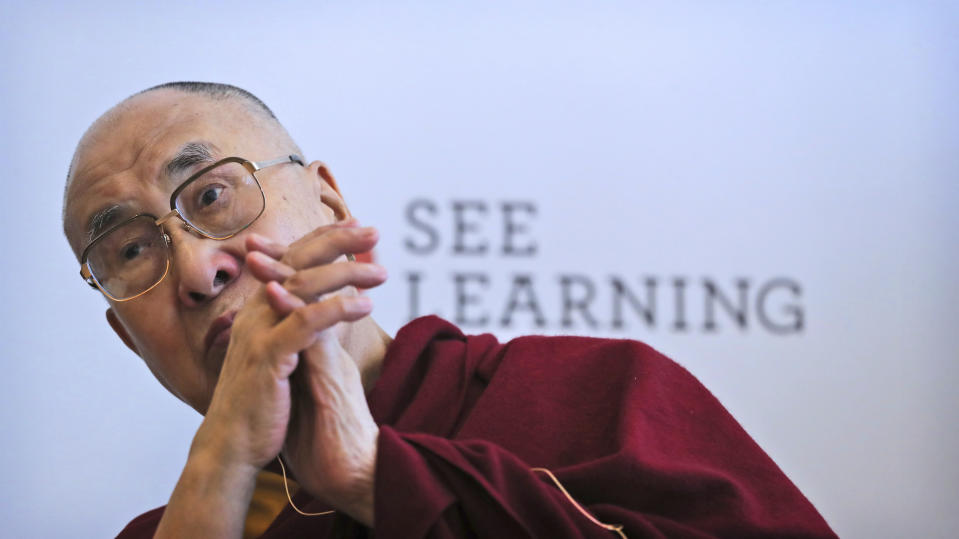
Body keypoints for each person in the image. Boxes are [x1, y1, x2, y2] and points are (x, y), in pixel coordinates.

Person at [63, 81, 836, 538]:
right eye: (130, 251)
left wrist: (374, 478)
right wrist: (217, 471)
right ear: (131, 341)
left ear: (329, 201)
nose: (197, 268)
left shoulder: (594, 392)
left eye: (211, 195)